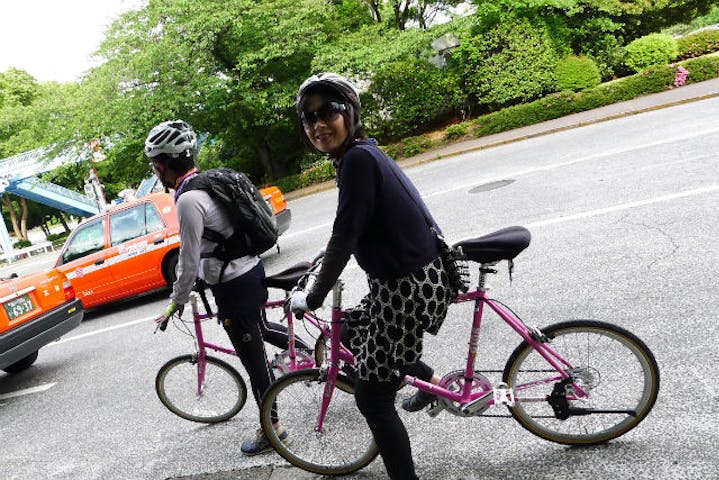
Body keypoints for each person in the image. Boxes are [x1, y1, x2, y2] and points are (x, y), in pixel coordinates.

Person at [289, 73, 454, 479]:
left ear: (350, 113)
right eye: (309, 119)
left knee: (372, 399)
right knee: (349, 330)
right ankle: (425, 378)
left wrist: (311, 297)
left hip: (407, 288)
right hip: (407, 280)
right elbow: (355, 225)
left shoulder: (358, 160)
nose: (318, 125)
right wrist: (322, 257)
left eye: (328, 112)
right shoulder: (361, 153)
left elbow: (346, 235)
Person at [147, 120, 307, 455]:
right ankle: (306, 354)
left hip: (233, 287)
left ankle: (273, 430)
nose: (155, 171)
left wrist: (175, 301)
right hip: (252, 271)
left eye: (155, 165)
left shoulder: (188, 200)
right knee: (261, 327)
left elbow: (188, 262)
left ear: (164, 164)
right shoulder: (212, 181)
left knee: (255, 364)